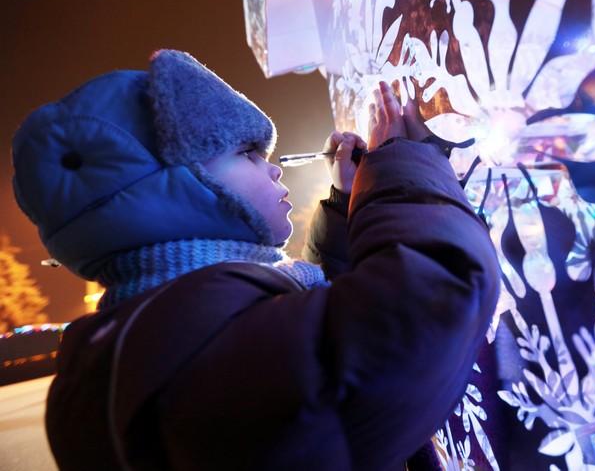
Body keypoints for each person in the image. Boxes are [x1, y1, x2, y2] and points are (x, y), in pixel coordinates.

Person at [11, 49, 500, 470]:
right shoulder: (181, 342)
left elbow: (305, 332)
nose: (272, 165)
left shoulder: (144, 329)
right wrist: (401, 163)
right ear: (176, 184)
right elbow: (430, 306)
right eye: (247, 152)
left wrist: (345, 207)